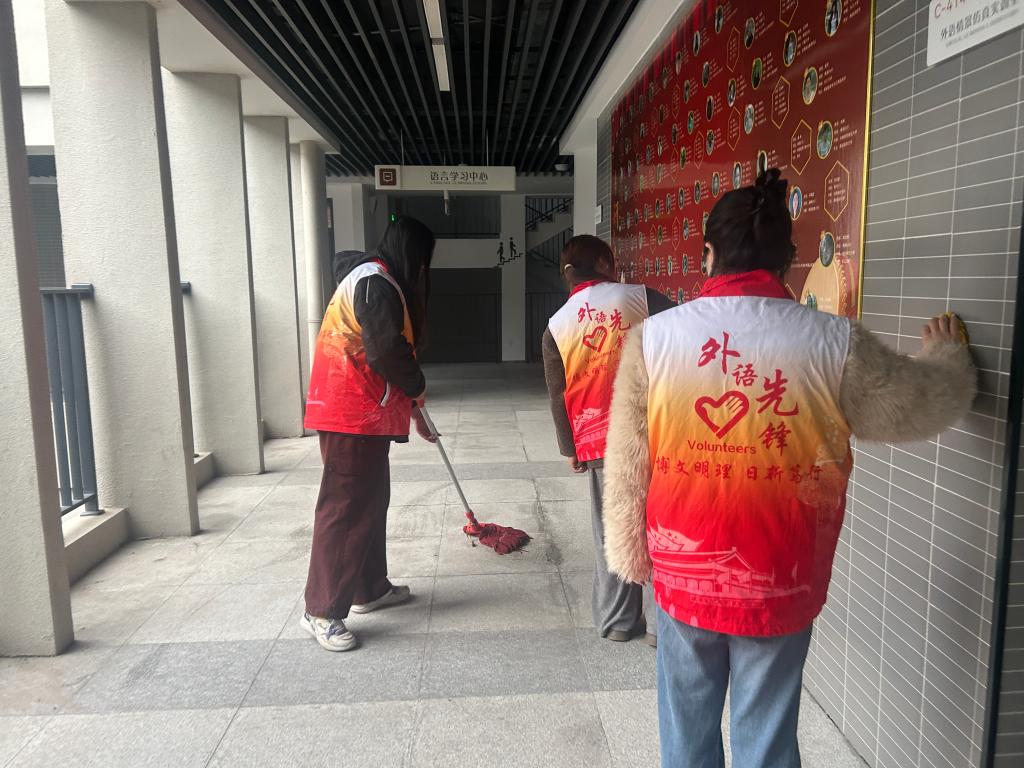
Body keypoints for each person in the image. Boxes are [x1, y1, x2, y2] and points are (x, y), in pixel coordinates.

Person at [602, 170, 976, 766]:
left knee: (685, 728)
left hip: (683, 568)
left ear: (707, 254)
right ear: (789, 259)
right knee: (767, 735)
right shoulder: (834, 343)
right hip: (780, 570)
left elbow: (627, 464)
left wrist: (630, 556)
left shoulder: (654, 340)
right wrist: (949, 357)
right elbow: (920, 405)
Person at [301, 216, 437, 652]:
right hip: (349, 412)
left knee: (370, 500)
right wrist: (417, 386)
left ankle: (368, 587)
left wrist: (414, 409)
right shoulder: (375, 283)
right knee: (344, 507)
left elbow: (385, 351)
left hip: (363, 413)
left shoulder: (376, 279)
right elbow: (386, 352)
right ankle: (321, 610)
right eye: (424, 260)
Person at [542, 235, 675, 645]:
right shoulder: (643, 299)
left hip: (599, 437)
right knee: (659, 525)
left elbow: (557, 391)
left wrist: (570, 448)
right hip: (655, 429)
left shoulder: (557, 323)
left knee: (614, 526)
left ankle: (619, 620)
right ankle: (660, 626)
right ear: (603, 262)